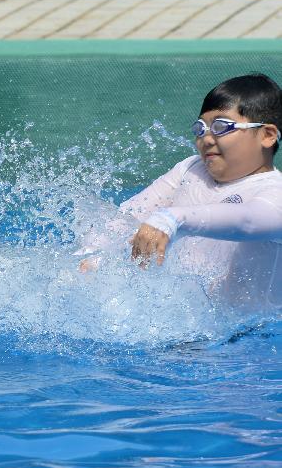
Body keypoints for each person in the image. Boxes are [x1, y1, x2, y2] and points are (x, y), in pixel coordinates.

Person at [86, 74, 282, 308]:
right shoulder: (190, 169)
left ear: (267, 135)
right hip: (182, 324)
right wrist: (93, 256)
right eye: (201, 128)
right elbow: (124, 218)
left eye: (221, 127)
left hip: (248, 338)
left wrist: (174, 218)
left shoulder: (275, 191)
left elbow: (247, 220)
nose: (206, 139)